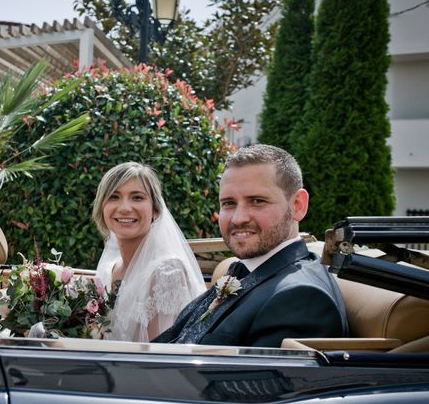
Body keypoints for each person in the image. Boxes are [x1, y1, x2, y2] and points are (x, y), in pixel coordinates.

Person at [152, 144, 348, 347]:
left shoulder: (301, 300)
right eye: (228, 203)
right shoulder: (246, 269)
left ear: (298, 205)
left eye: (257, 201)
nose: (238, 218)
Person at [93, 162, 206, 342]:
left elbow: (161, 357)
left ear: (155, 209)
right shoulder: (108, 269)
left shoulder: (167, 271)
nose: (124, 207)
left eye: (137, 197)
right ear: (102, 207)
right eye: (114, 197)